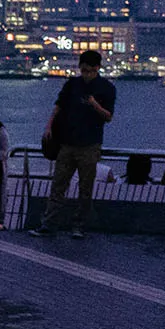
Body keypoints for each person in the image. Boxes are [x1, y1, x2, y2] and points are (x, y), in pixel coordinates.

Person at [34, 49, 116, 239]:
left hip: (90, 144)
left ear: (98, 68)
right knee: (58, 185)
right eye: (84, 70)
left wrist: (94, 104)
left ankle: (79, 225)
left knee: (85, 189)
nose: (86, 74)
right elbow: (59, 105)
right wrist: (49, 126)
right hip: (68, 142)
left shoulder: (107, 88)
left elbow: (109, 116)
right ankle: (49, 224)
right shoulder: (72, 84)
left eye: (90, 71)